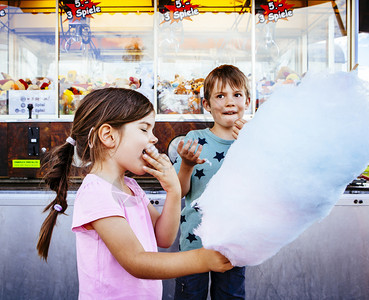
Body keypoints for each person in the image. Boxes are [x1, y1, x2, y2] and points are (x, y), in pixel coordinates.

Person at [36, 88, 233, 299]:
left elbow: (163, 237)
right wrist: (203, 260)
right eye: (144, 129)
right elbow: (136, 261)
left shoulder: (130, 186)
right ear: (108, 135)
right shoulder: (97, 192)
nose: (154, 139)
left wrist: (174, 190)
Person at [173, 65, 250, 299]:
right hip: (193, 242)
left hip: (234, 243)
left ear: (247, 100)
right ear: (206, 104)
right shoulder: (194, 140)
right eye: (220, 96)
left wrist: (253, 146)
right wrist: (186, 164)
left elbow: (266, 188)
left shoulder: (255, 140)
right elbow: (179, 191)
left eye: (236, 95)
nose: (229, 102)